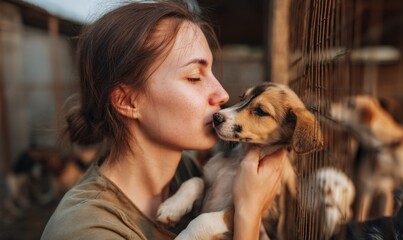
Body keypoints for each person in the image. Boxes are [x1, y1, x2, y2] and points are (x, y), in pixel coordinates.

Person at [41, 1, 286, 239]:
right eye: (193, 77)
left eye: (211, 72)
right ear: (127, 101)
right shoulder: (87, 230)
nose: (222, 94)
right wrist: (247, 213)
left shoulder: (187, 173)